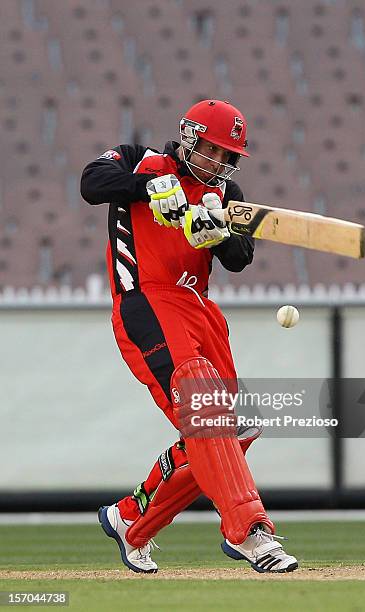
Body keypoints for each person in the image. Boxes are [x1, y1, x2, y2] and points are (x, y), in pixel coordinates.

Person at [80, 99, 298, 574]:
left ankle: (131, 521)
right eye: (213, 151)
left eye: (228, 157)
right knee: (206, 408)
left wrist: (215, 234)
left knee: (232, 428)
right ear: (189, 136)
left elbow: (241, 257)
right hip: (147, 301)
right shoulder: (136, 159)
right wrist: (150, 188)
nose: (219, 163)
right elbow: (91, 183)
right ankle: (250, 530)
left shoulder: (227, 193)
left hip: (201, 309)